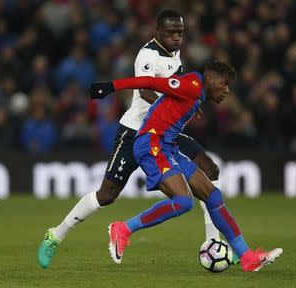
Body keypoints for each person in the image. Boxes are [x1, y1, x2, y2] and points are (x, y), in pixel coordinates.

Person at [37, 10, 225, 268]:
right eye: (171, 33)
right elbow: (146, 91)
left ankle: (213, 243)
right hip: (135, 130)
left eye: (180, 32)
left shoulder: (175, 53)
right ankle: (55, 234)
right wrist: (177, 105)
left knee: (209, 169)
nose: (177, 38)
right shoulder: (147, 55)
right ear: (157, 32)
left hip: (167, 132)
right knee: (107, 194)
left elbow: (176, 85)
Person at [89, 61, 283, 272]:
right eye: (224, 84)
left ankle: (247, 257)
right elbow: (149, 82)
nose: (227, 90)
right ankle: (123, 229)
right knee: (183, 201)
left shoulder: (197, 92)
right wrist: (110, 86)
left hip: (167, 146)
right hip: (150, 144)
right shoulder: (190, 85)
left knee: (213, 196)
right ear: (209, 78)